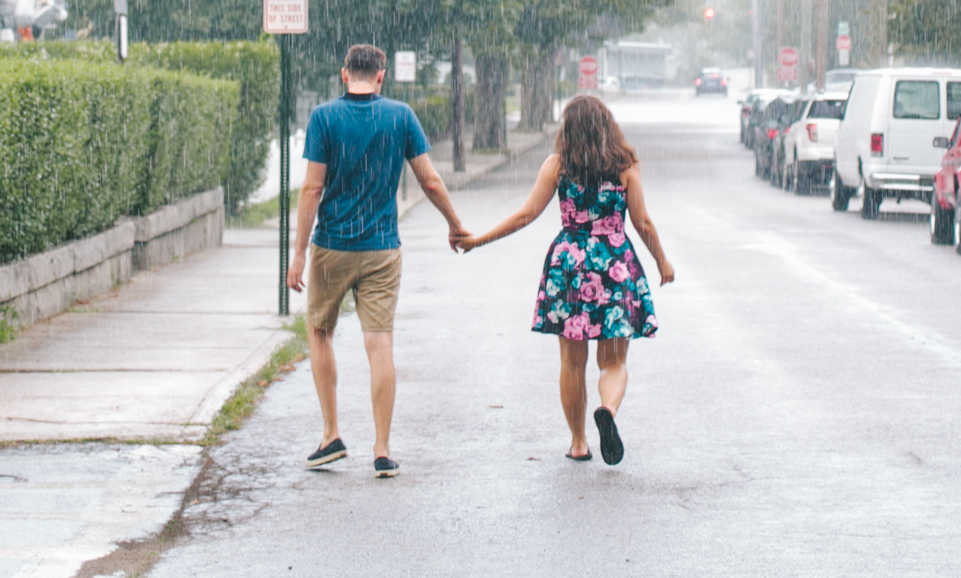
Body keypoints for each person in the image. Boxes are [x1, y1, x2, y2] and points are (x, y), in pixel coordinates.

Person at [457, 94, 673, 465]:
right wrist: (662, 261)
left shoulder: (557, 167)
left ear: (567, 129)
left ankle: (577, 442)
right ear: (607, 126)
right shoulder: (624, 169)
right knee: (613, 361)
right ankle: (607, 409)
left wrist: (478, 240)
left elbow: (525, 215)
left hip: (569, 267)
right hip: (615, 266)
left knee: (572, 362)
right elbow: (643, 223)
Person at [287, 44, 466, 478]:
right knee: (380, 342)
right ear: (381, 76)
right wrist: (455, 224)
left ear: (344, 75)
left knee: (319, 332)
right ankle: (382, 449)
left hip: (332, 245)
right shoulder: (400, 116)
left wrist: (298, 253)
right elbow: (430, 180)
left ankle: (331, 435)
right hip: (383, 248)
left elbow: (312, 189)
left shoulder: (324, 118)